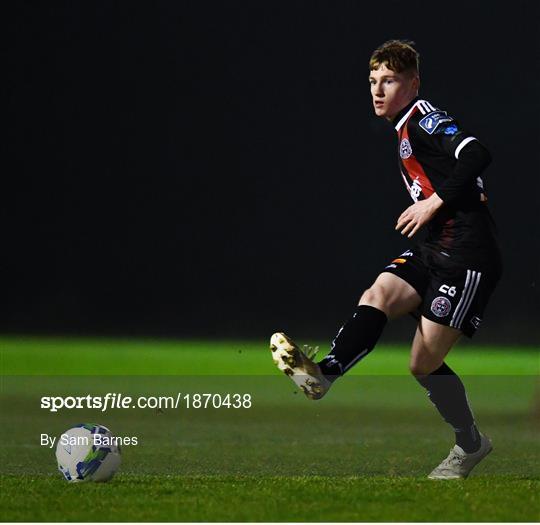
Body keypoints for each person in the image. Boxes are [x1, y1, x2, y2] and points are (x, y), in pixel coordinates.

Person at [270, 40, 502, 480]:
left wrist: (432, 203)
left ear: (413, 83)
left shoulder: (424, 117)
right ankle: (325, 374)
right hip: (433, 248)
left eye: (389, 80)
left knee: (422, 365)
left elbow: (477, 154)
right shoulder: (402, 127)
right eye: (373, 81)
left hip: (468, 255)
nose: (378, 90)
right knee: (378, 292)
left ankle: (470, 445)